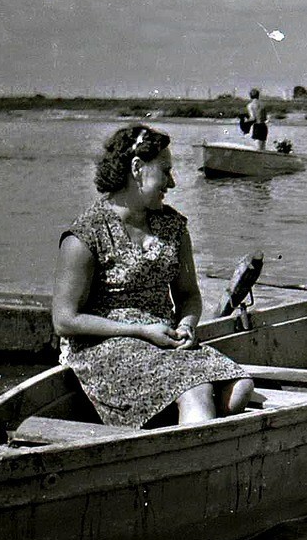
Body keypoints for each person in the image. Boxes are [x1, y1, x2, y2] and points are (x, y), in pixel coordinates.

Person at [52, 124, 255, 428]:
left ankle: (174, 427)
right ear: (137, 168)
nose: (172, 182)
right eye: (166, 171)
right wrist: (139, 332)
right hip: (105, 346)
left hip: (162, 340)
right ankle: (192, 455)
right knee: (195, 389)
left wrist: (186, 325)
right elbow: (64, 320)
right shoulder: (86, 234)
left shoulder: (173, 227)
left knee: (240, 389)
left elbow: (188, 295)